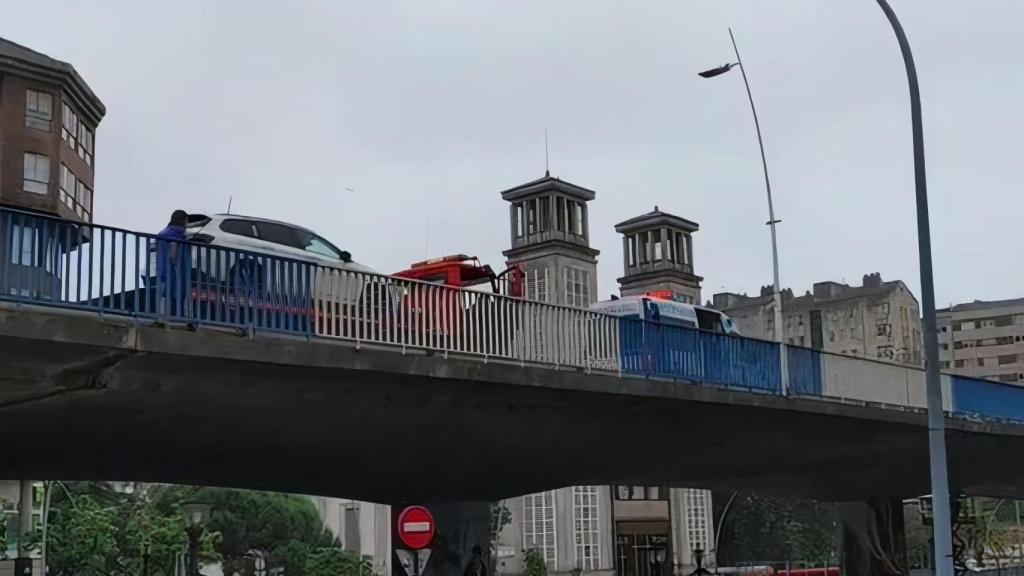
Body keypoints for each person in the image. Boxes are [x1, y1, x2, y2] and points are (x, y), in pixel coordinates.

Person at [156, 210, 189, 316]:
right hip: (170, 270)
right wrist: (175, 262)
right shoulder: (176, 233)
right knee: (174, 293)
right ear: (183, 220)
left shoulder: (163, 232)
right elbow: (173, 252)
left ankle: (161, 316)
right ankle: (175, 316)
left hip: (160, 268)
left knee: (162, 294)